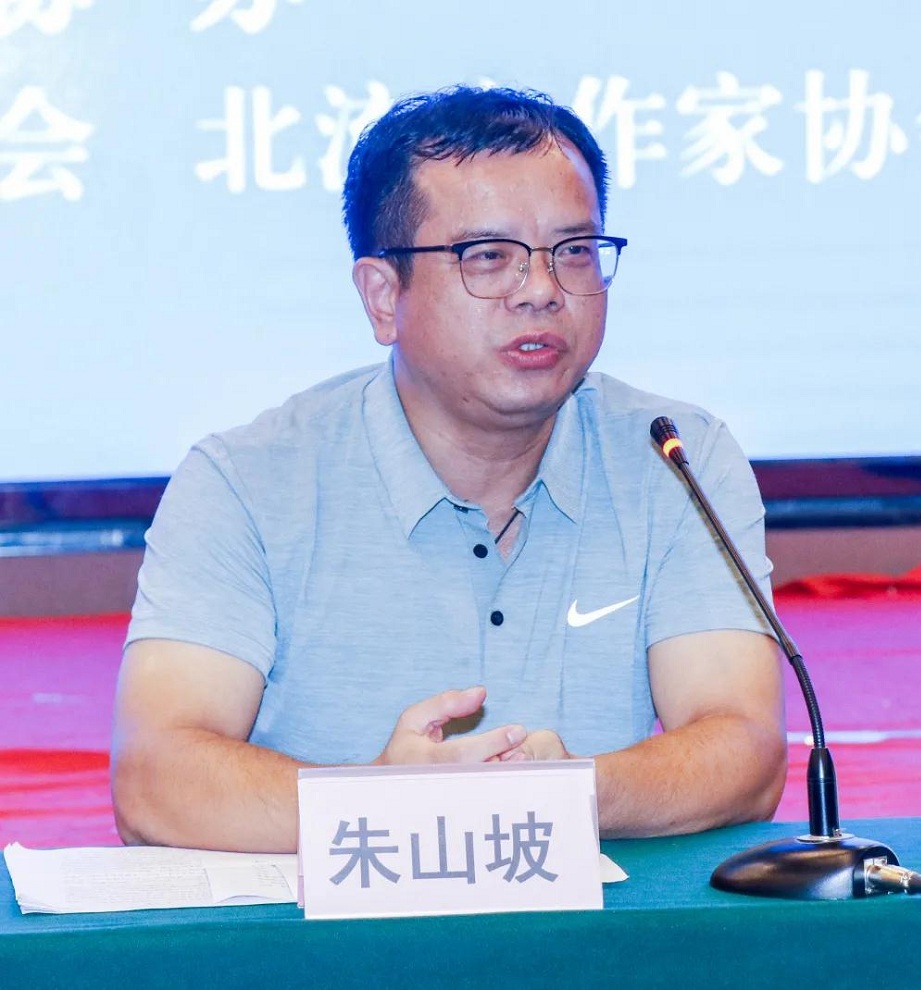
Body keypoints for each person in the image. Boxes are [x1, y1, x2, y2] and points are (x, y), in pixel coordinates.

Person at [111, 85, 786, 853]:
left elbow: (744, 750)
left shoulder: (673, 459)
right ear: (382, 297)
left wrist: (571, 791)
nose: (542, 291)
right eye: (488, 257)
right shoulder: (247, 482)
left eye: (573, 252)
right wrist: (384, 802)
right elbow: (156, 778)